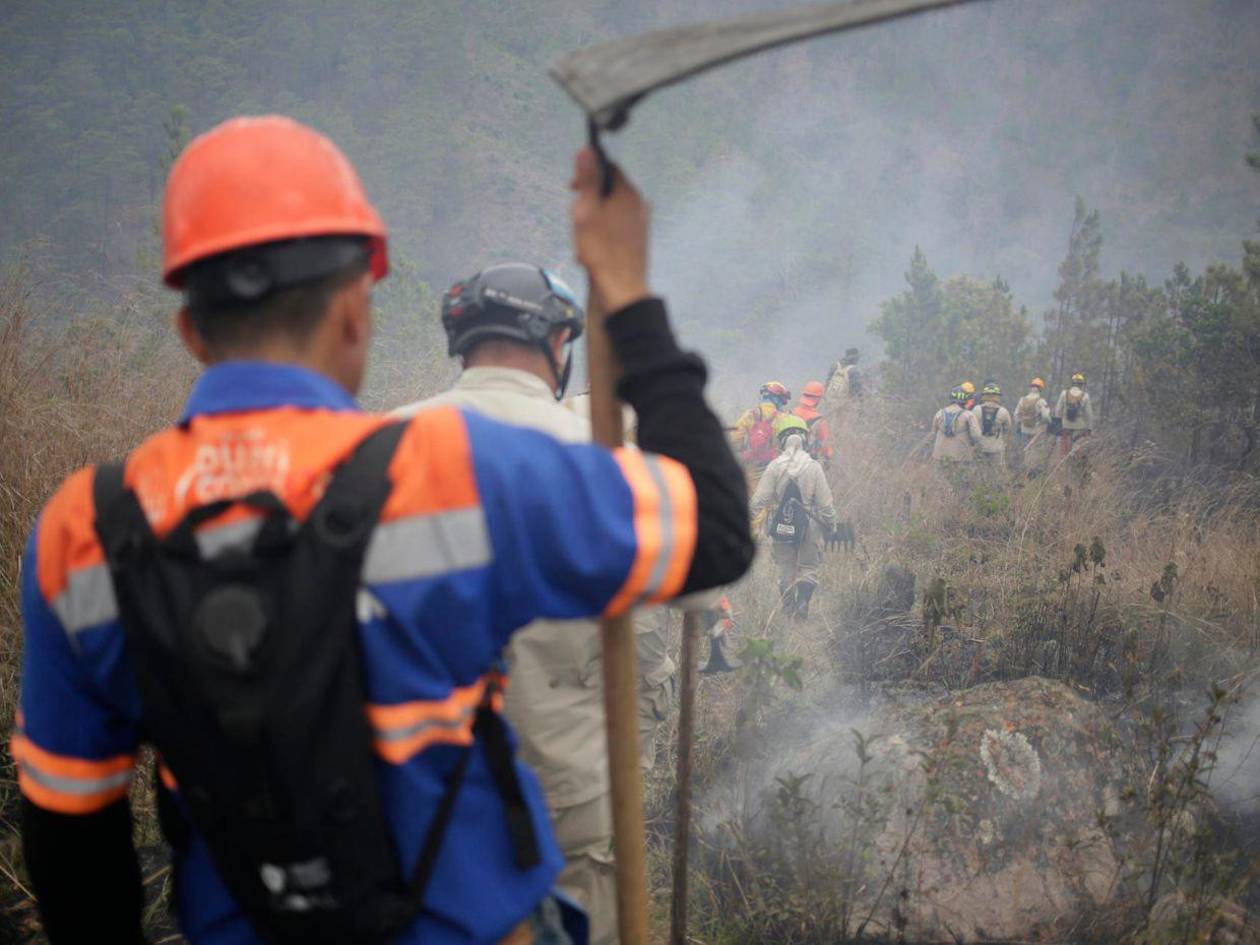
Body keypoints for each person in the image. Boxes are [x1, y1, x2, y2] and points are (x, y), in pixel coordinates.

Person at [14, 116, 753, 945]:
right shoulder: (461, 471)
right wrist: (629, 295)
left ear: (190, 330)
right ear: (356, 310)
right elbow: (718, 531)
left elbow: (71, 839)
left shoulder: (81, 531)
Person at [392, 268, 677, 944]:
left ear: (460, 337)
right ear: (558, 340)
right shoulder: (602, 459)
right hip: (565, 804)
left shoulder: (375, 447)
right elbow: (685, 592)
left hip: (414, 801)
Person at [749, 417, 837, 621]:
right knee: (808, 567)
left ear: (782, 441)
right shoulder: (814, 467)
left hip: (781, 524)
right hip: (810, 524)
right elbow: (825, 504)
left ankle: (788, 609)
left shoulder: (774, 467)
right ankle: (803, 603)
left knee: (785, 569)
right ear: (804, 439)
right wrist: (831, 525)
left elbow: (759, 500)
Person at [731, 381, 790, 472]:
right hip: (776, 470)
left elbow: (734, 440)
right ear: (777, 399)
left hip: (752, 468)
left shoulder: (749, 414)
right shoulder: (784, 418)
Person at [931, 386, 980, 486]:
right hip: (962, 456)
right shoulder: (969, 415)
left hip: (940, 455)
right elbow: (977, 436)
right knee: (962, 484)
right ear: (965, 400)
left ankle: (943, 501)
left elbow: (933, 433)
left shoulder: (939, 413)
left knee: (941, 484)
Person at [971, 381, 1012, 479]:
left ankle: (979, 491)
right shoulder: (1003, 411)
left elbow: (972, 428)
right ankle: (996, 491)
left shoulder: (976, 409)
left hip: (979, 446)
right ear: (997, 396)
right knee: (998, 472)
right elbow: (1008, 428)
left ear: (984, 395)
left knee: (979, 471)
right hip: (996, 447)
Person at [793, 380, 834, 467]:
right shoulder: (819, 421)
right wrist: (828, 458)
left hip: (787, 458)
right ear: (818, 399)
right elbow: (824, 444)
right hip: (806, 462)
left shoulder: (790, 413)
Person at [1053, 371, 1095, 455]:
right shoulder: (1085, 396)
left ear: (1073, 383)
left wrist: (1058, 423)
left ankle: (1063, 463)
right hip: (1079, 427)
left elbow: (1058, 410)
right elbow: (1089, 415)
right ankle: (1073, 460)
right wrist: (1089, 428)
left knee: (1064, 449)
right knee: (1077, 449)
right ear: (1081, 384)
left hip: (1065, 425)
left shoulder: (1064, 393)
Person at [1014, 377, 1051, 470]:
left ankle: (1025, 467)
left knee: (1026, 449)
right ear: (1040, 388)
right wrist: (1048, 422)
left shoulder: (1022, 400)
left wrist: (1020, 425)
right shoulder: (1041, 401)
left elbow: (1016, 415)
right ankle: (1032, 470)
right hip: (1036, 431)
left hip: (1024, 430)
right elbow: (1046, 416)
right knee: (1036, 451)